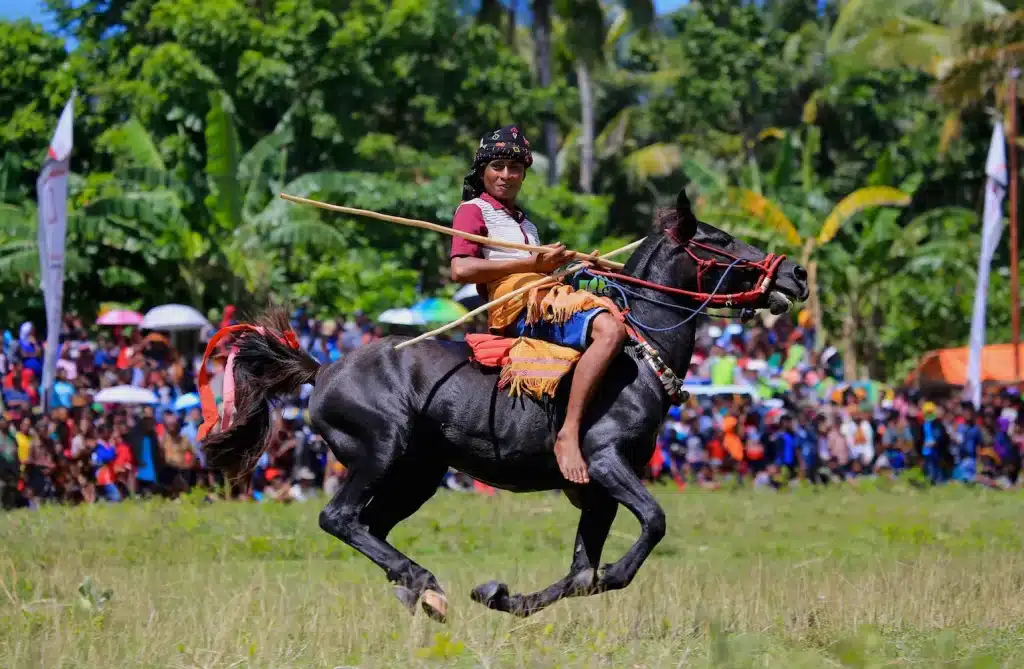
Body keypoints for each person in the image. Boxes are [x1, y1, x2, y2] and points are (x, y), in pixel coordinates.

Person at [449, 125, 627, 484]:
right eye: (497, 166)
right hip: (516, 306)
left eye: (514, 168)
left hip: (547, 296)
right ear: (483, 170)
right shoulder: (472, 210)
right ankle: (568, 433)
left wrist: (576, 269)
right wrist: (534, 264)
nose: (506, 175)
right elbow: (461, 268)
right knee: (609, 330)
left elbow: (544, 272)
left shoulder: (526, 223)